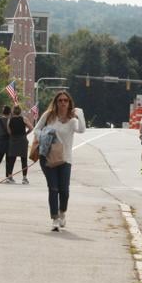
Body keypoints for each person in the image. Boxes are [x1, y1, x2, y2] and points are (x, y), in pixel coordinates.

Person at [33, 91, 86, 232]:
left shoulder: (72, 120)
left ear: (69, 103)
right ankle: (55, 219)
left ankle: (62, 211)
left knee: (64, 190)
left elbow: (82, 130)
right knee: (53, 188)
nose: (63, 103)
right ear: (56, 102)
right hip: (48, 157)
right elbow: (36, 129)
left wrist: (80, 115)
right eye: (60, 100)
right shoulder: (49, 115)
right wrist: (44, 134)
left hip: (65, 159)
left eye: (65, 101)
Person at [6, 105, 33, 184]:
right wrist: (25, 134)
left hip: (13, 140)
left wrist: (14, 134)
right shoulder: (24, 119)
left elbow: (9, 131)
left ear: (13, 111)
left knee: (11, 159)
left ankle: (10, 177)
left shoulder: (9, 120)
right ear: (20, 111)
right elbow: (31, 128)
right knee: (23, 160)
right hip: (22, 140)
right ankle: (24, 178)